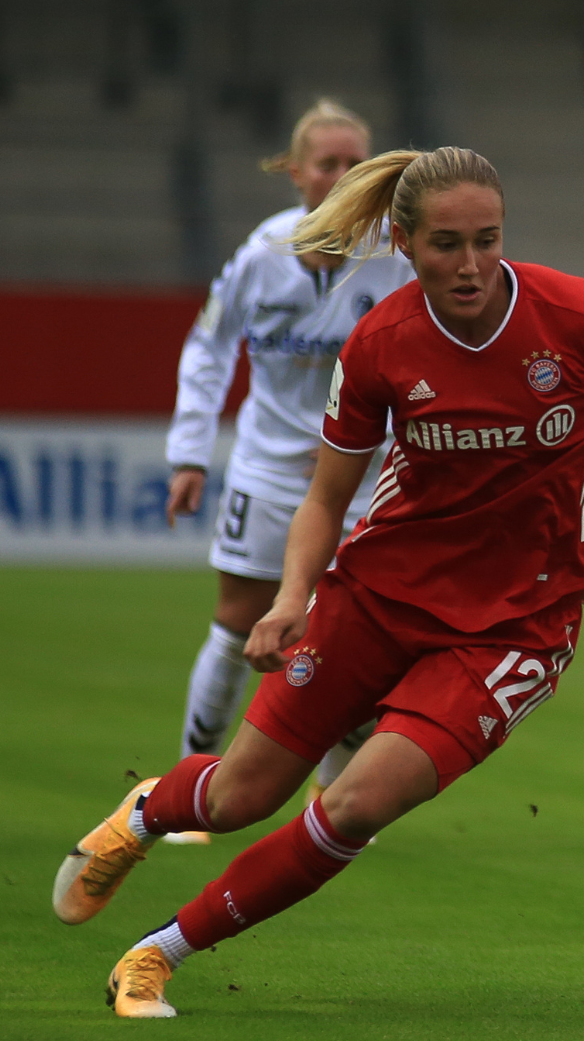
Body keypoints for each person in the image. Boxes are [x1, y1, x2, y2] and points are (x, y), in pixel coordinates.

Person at [52, 146, 584, 1019]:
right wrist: (289, 601)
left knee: (352, 806)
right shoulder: (382, 343)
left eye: (487, 241)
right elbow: (326, 497)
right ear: (402, 242)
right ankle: (145, 813)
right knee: (241, 796)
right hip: (378, 597)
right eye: (445, 245)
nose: (469, 265)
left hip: (515, 628)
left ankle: (157, 955)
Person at [161, 99, 414, 843]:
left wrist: (379, 439)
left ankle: (334, 799)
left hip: (363, 478)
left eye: (354, 164)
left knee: (364, 633)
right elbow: (208, 348)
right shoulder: (261, 254)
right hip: (267, 471)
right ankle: (188, 785)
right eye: (327, 163)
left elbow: (420, 362)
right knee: (238, 622)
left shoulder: (396, 258)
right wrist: (187, 450)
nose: (341, 176)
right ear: (296, 171)